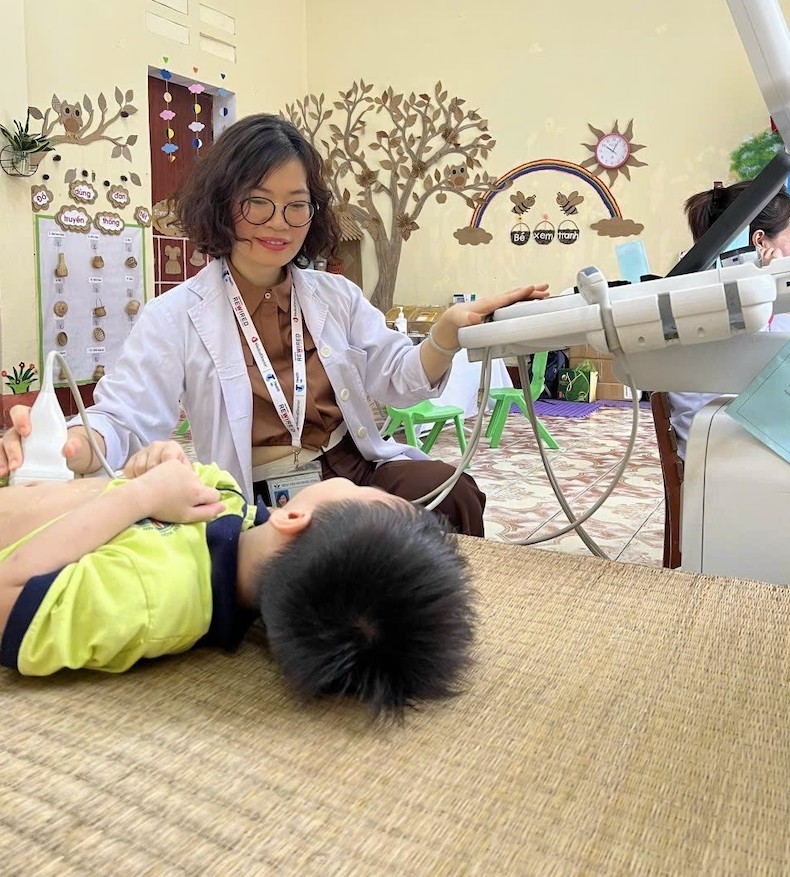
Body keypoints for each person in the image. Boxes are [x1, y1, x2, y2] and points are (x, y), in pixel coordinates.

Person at [0, 114, 549, 537]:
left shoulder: (335, 296)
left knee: (449, 492)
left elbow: (399, 380)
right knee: (315, 551)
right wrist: (76, 442)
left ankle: (437, 623)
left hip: (350, 465)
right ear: (222, 206)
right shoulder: (174, 315)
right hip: (257, 491)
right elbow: (125, 416)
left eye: (296, 206)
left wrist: (446, 333)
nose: (279, 224)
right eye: (257, 204)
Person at [0, 442, 475, 720]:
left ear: (294, 517)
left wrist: (143, 495)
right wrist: (156, 462)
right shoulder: (230, 503)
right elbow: (153, 472)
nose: (353, 482)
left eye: (360, 489)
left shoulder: (147, 602)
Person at [668, 181, 790, 459]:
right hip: (724, 449)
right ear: (760, 241)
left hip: (732, 438)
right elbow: (755, 372)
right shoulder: (728, 297)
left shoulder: (722, 286)